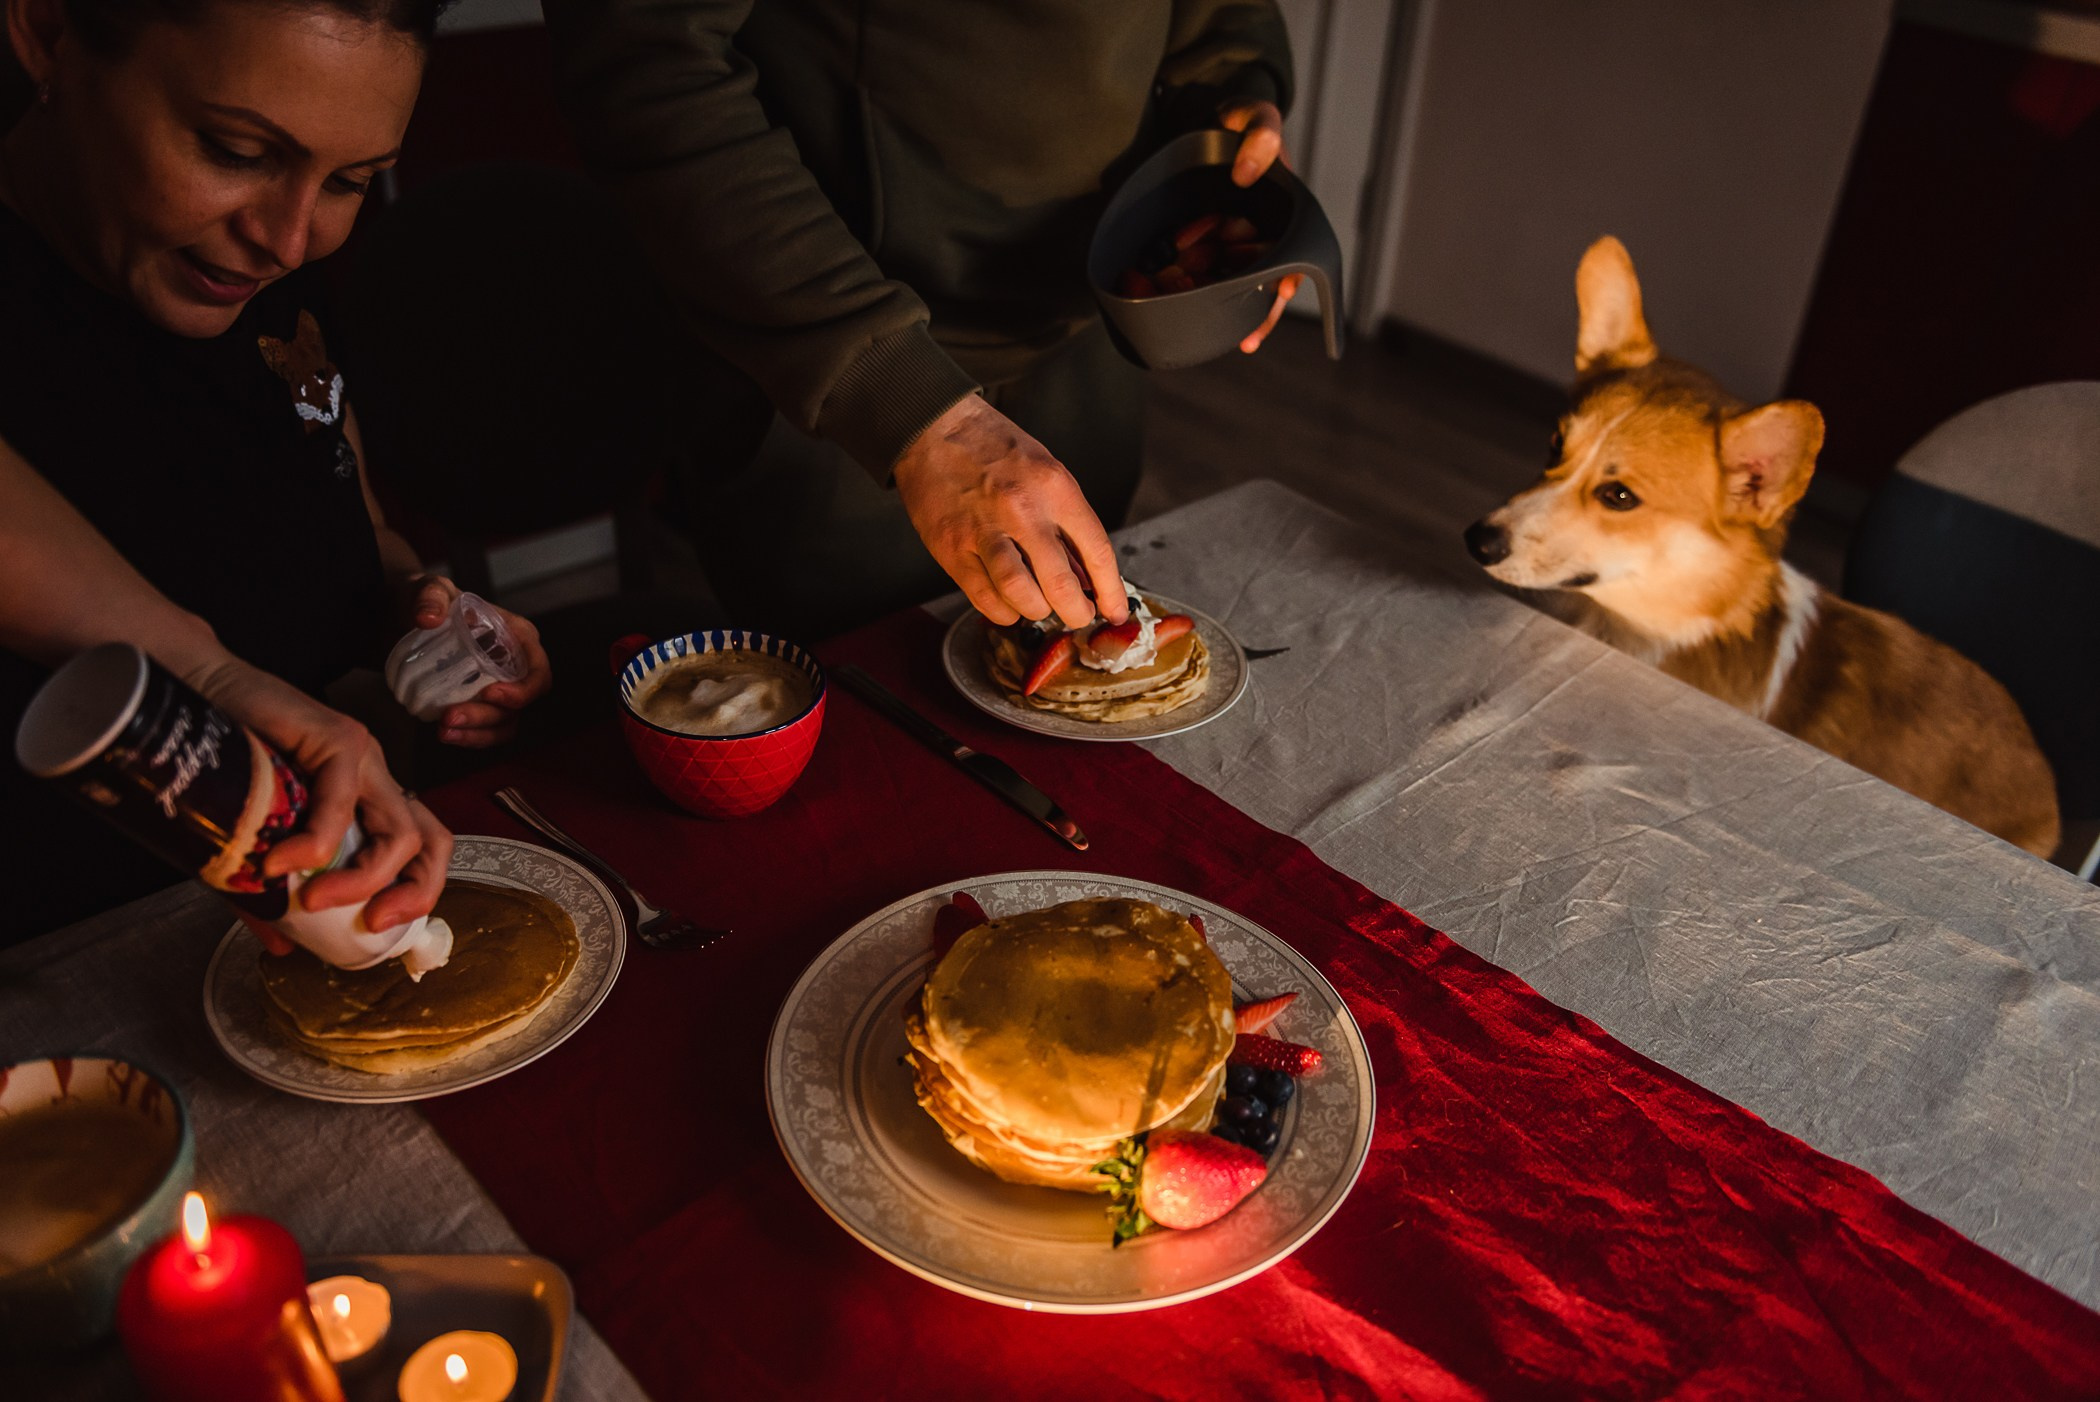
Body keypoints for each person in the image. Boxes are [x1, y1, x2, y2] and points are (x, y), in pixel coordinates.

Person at [0, 0, 550, 943]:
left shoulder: (255, 272)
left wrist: (422, 614)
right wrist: (206, 674)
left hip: (276, 908)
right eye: (235, 151)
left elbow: (342, 515)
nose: (291, 241)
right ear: (51, 32)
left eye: (351, 180)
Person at [542, 0, 1300, 640]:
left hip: (1082, 331)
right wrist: (904, 397)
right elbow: (647, 64)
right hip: (837, 354)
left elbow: (1222, 19)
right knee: (874, 732)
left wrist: (1236, 82)